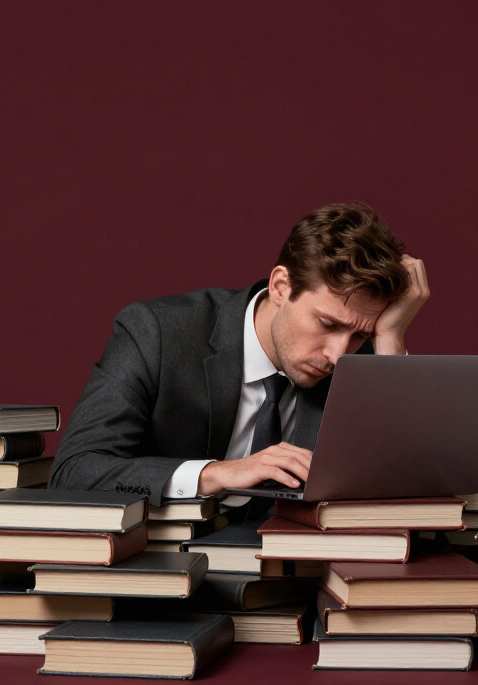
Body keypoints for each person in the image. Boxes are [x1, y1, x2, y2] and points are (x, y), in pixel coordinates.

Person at [50, 202, 430, 509]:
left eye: (360, 335)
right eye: (327, 324)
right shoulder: (158, 333)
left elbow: (408, 491)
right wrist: (215, 474)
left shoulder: (370, 367)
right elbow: (74, 471)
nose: (338, 356)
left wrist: (390, 339)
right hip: (172, 579)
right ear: (281, 286)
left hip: (300, 586)